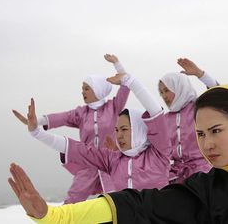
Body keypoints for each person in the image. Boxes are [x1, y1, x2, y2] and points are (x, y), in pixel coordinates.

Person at [8, 0, 228, 223]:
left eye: (215, 131)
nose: (206, 142)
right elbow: (137, 206)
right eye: (200, 134)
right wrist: (54, 216)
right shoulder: (204, 192)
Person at [25, 69, 172, 192]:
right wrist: (37, 133)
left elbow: (156, 113)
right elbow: (77, 149)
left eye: (124, 129)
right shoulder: (113, 159)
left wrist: (130, 81)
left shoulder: (159, 153)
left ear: (139, 129)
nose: (118, 135)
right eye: (116, 130)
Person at [12, 54, 130, 203]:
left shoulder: (113, 107)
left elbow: (126, 86)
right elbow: (59, 117)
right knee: (71, 202)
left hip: (111, 164)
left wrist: (117, 64)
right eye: (82, 89)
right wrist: (36, 121)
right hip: (88, 163)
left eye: (87, 88)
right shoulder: (81, 113)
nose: (83, 92)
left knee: (117, 202)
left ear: (98, 90)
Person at [159, 57, 218, 183]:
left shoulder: (199, 108)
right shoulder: (165, 119)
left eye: (166, 90)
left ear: (178, 87)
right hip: (176, 177)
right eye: (161, 92)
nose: (164, 96)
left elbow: (218, 92)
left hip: (203, 173)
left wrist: (199, 74)